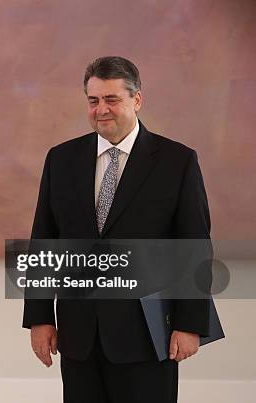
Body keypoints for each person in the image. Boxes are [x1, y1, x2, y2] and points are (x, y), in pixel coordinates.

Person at [23, 56, 211, 403]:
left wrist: (191, 323)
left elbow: (194, 246)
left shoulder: (177, 161)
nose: (101, 110)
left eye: (112, 99)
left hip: (148, 335)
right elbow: (43, 243)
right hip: (79, 337)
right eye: (93, 101)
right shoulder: (61, 159)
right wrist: (39, 317)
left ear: (137, 99)